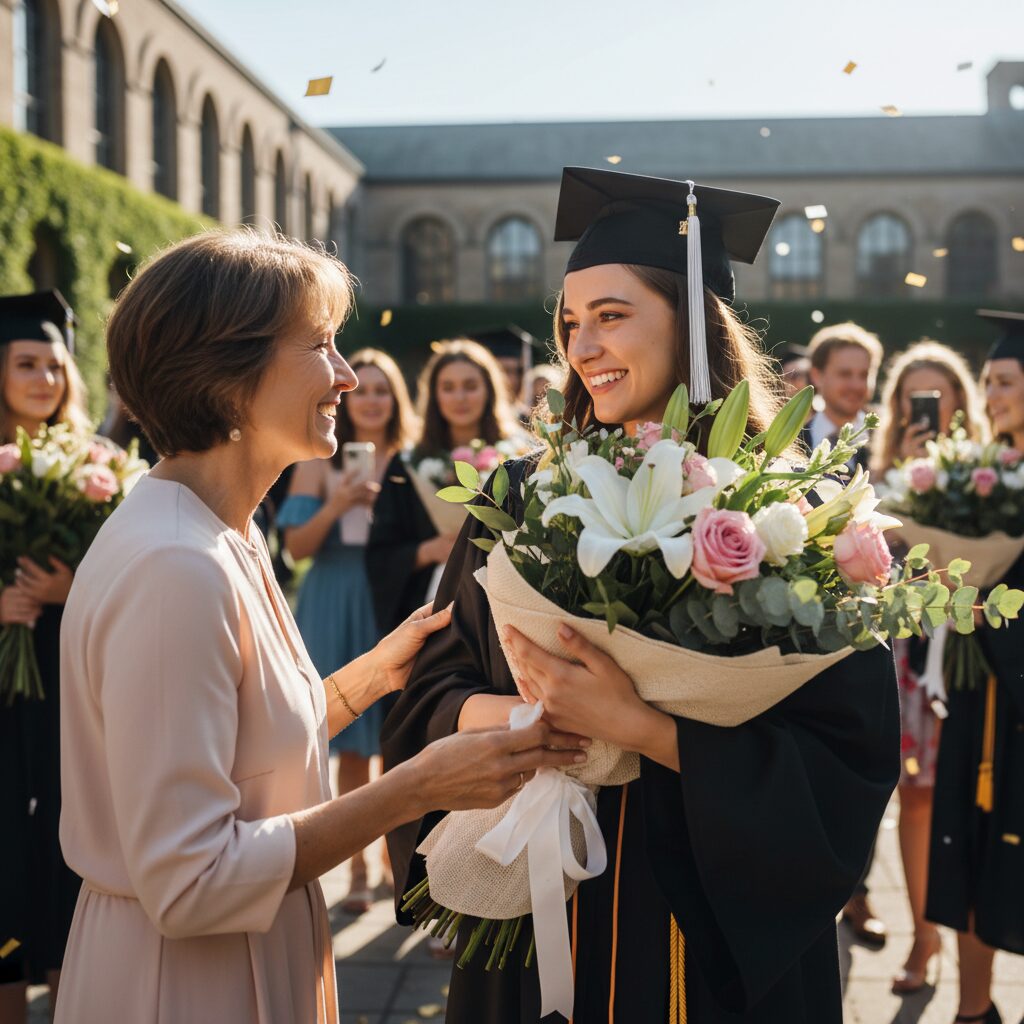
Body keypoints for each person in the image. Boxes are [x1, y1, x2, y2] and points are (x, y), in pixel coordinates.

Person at [383, 167, 901, 1024]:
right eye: (570, 322)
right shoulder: (520, 496)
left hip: (708, 921)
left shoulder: (783, 512)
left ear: (692, 322)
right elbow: (428, 692)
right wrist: (534, 716)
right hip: (541, 905)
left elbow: (847, 752)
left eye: (612, 316)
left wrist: (644, 730)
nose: (581, 346)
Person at [53, 230, 587, 1024]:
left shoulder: (221, 529)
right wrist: (417, 785)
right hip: (185, 984)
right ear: (227, 372)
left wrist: (370, 677)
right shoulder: (175, 566)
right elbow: (192, 882)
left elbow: (240, 750)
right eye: (321, 345)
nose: (347, 375)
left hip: (241, 954)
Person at [870, 340, 989, 996]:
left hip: (969, 650)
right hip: (904, 653)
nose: (929, 409)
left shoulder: (987, 476)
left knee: (971, 798)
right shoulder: (876, 475)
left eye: (940, 396)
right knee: (915, 798)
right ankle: (923, 934)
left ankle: (975, 946)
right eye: (916, 396)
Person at [280, 347, 417, 914]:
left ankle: (392, 861)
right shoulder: (318, 458)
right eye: (364, 391)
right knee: (350, 741)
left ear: (397, 399)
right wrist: (337, 503)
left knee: (396, 738)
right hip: (334, 597)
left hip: (394, 598)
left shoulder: (413, 460)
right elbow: (294, 548)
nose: (372, 400)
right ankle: (357, 868)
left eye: (384, 390)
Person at [926, 310, 1024, 1024]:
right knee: (967, 839)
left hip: (1014, 690)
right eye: (987, 382)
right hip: (977, 689)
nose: (990, 396)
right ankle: (972, 1008)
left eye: (1005, 382)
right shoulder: (976, 479)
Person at [0, 290, 89, 1024]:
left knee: (67, 834)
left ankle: (74, 998)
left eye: (55, 365)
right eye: (26, 364)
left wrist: (71, 587)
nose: (44, 379)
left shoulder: (95, 467)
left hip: (65, 686)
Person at [366, 338, 521, 634]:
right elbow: (379, 555)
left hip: (507, 603)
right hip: (429, 606)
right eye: (448, 387)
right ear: (434, 395)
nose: (460, 397)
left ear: (489, 390)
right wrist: (427, 551)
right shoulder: (408, 466)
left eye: (470, 386)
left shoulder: (517, 457)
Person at [803, 322, 884, 474]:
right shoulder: (794, 443)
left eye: (864, 375)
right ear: (817, 376)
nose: (856, 385)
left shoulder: (888, 444)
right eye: (845, 374)